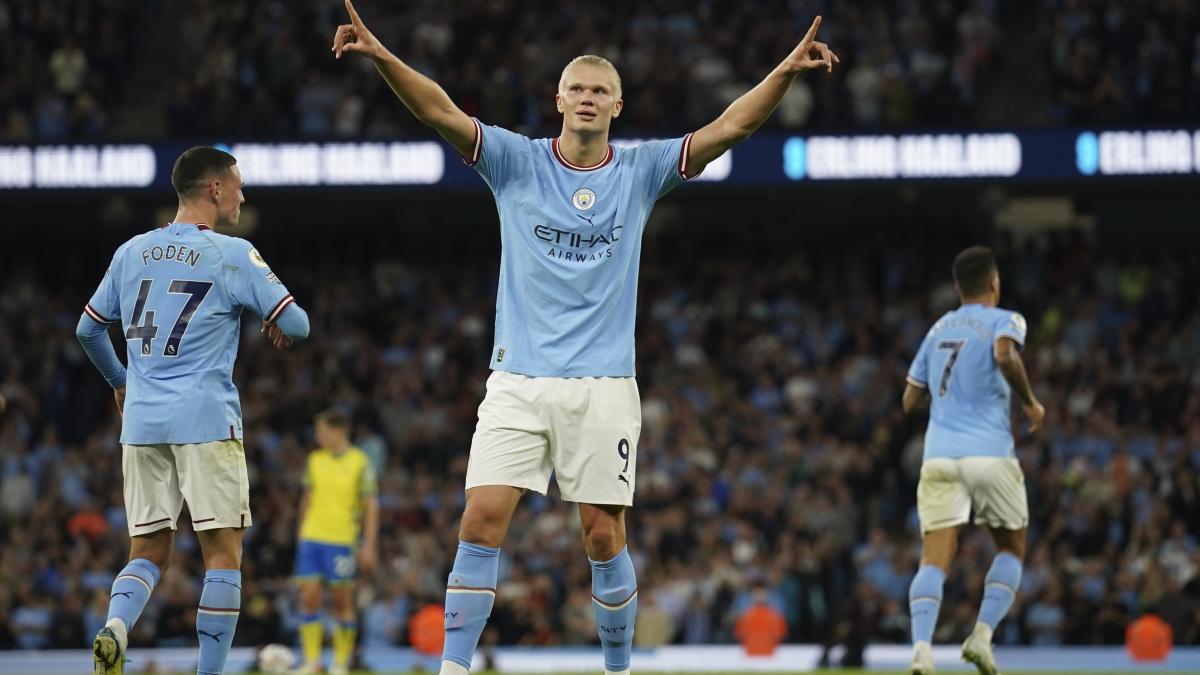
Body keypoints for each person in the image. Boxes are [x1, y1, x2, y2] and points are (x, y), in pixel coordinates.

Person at [329, 2, 838, 674]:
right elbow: (440, 112)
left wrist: (784, 71)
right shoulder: (514, 161)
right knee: (481, 517)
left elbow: (731, 126)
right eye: (579, 88)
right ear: (559, 99)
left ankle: (617, 667)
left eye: (601, 90)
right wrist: (385, 57)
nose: (589, 98)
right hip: (518, 378)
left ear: (618, 105)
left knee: (602, 534)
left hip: (602, 383)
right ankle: (453, 669)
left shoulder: (641, 172)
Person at [76, 146, 310, 675]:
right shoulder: (231, 253)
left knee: (147, 551)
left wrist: (121, 383)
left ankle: (116, 625)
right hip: (205, 418)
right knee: (223, 558)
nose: (243, 194)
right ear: (215, 190)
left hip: (141, 423)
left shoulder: (130, 252)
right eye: (239, 184)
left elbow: (88, 329)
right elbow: (298, 326)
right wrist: (270, 317)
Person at [901, 246, 1046, 675]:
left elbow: (909, 400)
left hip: (939, 457)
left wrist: (948, 406)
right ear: (994, 282)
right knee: (1011, 549)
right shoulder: (1007, 319)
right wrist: (1031, 404)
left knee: (933, 560)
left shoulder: (937, 328)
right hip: (990, 455)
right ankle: (981, 636)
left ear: (956, 287)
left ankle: (922, 650)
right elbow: (1004, 354)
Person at [294, 408, 379, 675]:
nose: (318, 436)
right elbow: (306, 499)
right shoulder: (314, 460)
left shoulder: (360, 462)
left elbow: (372, 506)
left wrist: (368, 544)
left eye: (322, 431)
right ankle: (312, 662)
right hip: (311, 538)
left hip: (342, 541)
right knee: (308, 597)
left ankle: (340, 663)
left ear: (338, 430)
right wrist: (300, 534)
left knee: (342, 601)